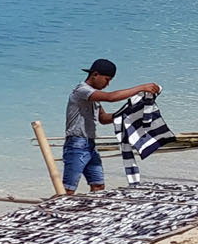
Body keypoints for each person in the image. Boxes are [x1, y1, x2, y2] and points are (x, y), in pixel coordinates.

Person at [65, 58, 161, 194]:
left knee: (98, 186)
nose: (107, 84)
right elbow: (111, 97)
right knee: (68, 190)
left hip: (90, 144)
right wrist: (141, 88)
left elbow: (103, 118)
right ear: (95, 75)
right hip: (76, 144)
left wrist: (127, 114)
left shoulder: (93, 97)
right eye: (107, 79)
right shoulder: (82, 90)